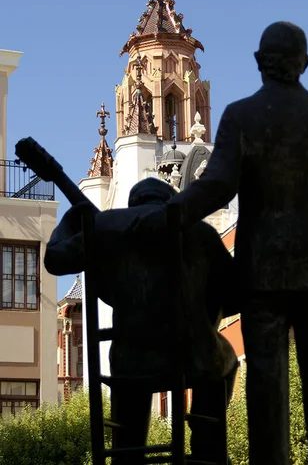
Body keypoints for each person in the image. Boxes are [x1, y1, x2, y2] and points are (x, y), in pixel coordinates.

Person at [134, 22, 308, 465]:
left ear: (260, 64)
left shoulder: (241, 116)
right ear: (305, 64)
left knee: (266, 378)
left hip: (262, 269)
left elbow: (215, 187)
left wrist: (167, 214)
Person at [44, 178, 238, 465]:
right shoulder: (200, 231)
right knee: (224, 361)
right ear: (171, 200)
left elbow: (55, 258)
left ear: (134, 204)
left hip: (130, 359)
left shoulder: (107, 226)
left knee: (130, 405)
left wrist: (72, 221)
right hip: (194, 357)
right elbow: (233, 295)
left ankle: (127, 454)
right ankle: (206, 449)